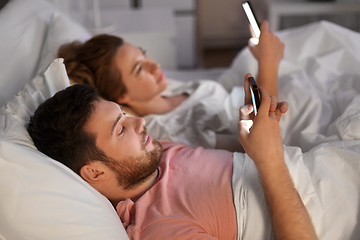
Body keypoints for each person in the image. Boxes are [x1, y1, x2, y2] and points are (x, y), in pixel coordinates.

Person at [27, 74, 318, 240]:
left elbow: (245, 150)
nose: (139, 123)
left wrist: (253, 129)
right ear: (94, 173)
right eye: (120, 129)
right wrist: (270, 160)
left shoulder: (157, 152)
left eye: (124, 114)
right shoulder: (158, 228)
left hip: (316, 163)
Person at [57, 21, 285, 151]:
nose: (154, 65)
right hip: (281, 118)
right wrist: (268, 62)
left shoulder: (163, 89)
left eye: (143, 55)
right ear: (120, 96)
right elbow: (260, 142)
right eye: (139, 69)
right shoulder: (173, 128)